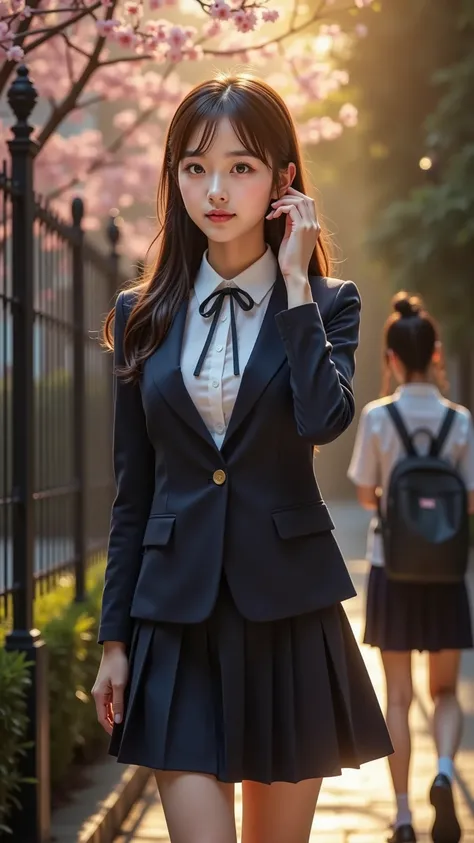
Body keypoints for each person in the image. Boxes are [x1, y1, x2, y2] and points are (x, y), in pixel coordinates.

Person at [92, 73, 393, 843]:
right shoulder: (140, 314)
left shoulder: (329, 302)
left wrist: (293, 285)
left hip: (286, 612)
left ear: (283, 179)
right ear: (175, 179)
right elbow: (134, 490)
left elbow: (322, 420)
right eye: (194, 168)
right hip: (174, 619)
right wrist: (114, 641)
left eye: (241, 167)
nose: (215, 189)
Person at [348, 292, 474, 843]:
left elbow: (365, 495)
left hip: (390, 569)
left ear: (392, 358)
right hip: (445, 575)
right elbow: (469, 500)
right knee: (445, 693)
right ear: (437, 355)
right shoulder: (460, 422)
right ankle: (445, 772)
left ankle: (401, 815)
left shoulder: (379, 418)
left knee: (398, 696)